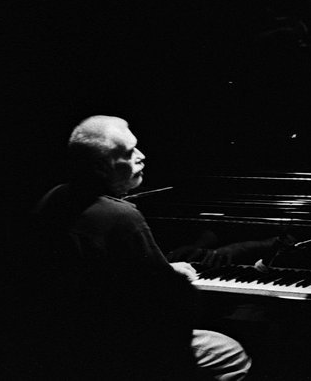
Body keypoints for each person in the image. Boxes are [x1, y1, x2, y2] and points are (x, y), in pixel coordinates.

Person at [30, 115, 252, 380]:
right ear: (101, 167)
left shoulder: (54, 197)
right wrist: (179, 283)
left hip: (67, 341)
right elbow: (170, 303)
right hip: (119, 348)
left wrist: (164, 270)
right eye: (129, 152)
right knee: (232, 354)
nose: (141, 156)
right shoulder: (121, 216)